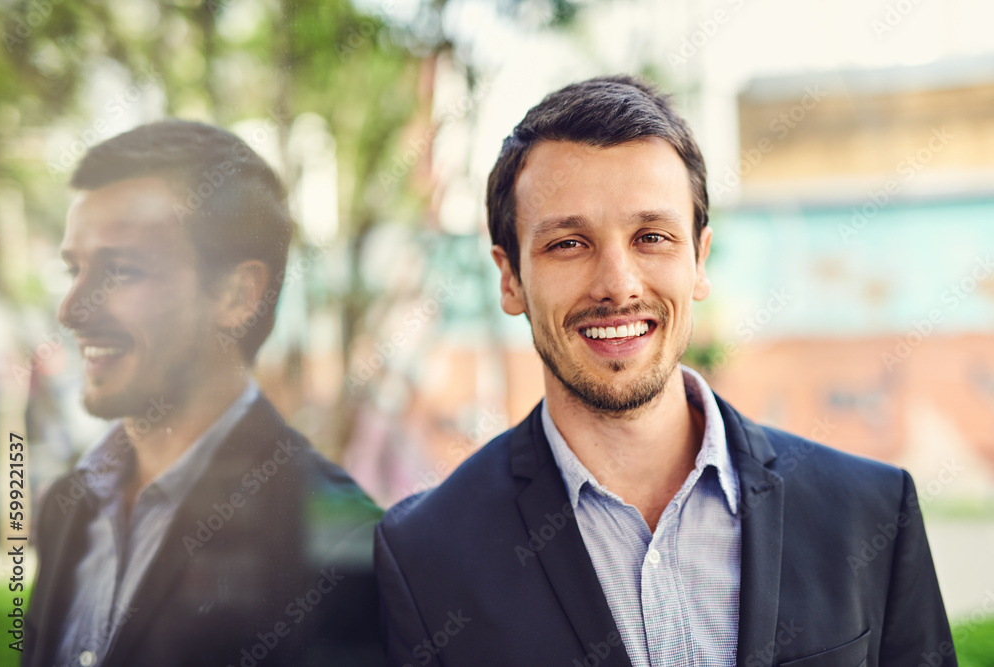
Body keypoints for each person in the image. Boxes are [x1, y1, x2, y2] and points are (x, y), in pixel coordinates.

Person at [374, 76, 955, 666]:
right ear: (510, 278)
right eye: (569, 244)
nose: (617, 285)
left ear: (699, 260)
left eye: (651, 236)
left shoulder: (871, 514)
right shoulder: (426, 554)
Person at [25, 120, 384, 667]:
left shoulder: (340, 536)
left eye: (120, 271)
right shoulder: (66, 509)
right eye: (74, 269)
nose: (72, 310)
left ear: (238, 296)